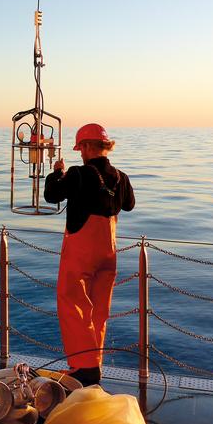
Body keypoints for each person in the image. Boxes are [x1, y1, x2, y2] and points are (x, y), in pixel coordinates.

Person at [44, 123, 135, 386]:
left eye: (80, 148)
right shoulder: (121, 176)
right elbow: (128, 205)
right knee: (98, 309)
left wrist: (56, 173)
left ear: (85, 147)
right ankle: (95, 363)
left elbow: (52, 196)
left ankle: (84, 368)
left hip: (81, 252)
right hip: (108, 253)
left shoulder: (78, 173)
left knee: (72, 303)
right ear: (105, 146)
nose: (80, 153)